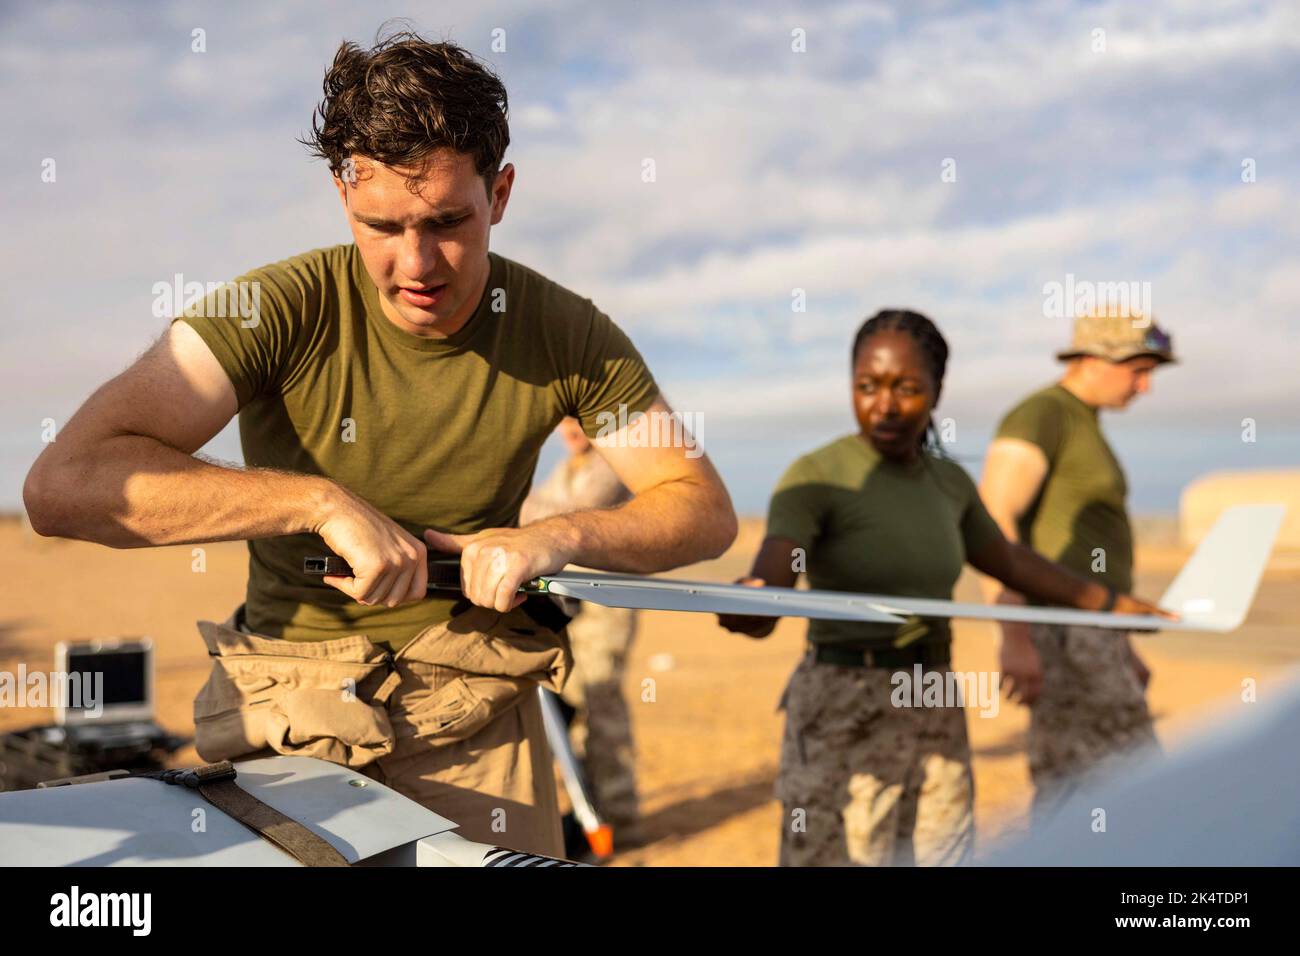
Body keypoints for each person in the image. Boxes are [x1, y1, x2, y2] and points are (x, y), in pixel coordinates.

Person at [21, 31, 736, 859]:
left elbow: (702, 508)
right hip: (288, 714)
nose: (416, 264)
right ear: (341, 194)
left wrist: (554, 538)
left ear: (500, 193)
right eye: (381, 226)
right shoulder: (275, 308)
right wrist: (313, 503)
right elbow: (65, 484)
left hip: (478, 714)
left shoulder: (569, 333)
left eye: (447, 222)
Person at [717, 309, 1171, 867]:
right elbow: (780, 563)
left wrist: (1115, 607)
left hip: (934, 699)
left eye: (906, 388)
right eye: (867, 386)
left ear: (936, 392)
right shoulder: (818, 476)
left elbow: (1010, 561)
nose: (884, 405)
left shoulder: (948, 483)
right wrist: (757, 597)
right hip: (842, 705)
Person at [979, 308, 1176, 817]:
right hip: (1062, 635)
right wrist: (1014, 636)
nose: (1146, 385)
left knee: (1103, 789)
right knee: (1109, 790)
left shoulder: (1083, 423)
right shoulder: (1042, 414)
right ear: (1091, 359)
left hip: (1093, 634)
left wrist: (1121, 644)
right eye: (1138, 369)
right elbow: (993, 521)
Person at [521, 417, 642, 842]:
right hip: (570, 606)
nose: (571, 429)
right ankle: (588, 811)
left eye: (579, 419)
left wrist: (515, 505)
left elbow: (563, 520)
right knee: (569, 703)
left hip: (605, 605)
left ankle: (616, 816)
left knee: (601, 703)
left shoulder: (611, 464)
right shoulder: (566, 468)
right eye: (564, 420)